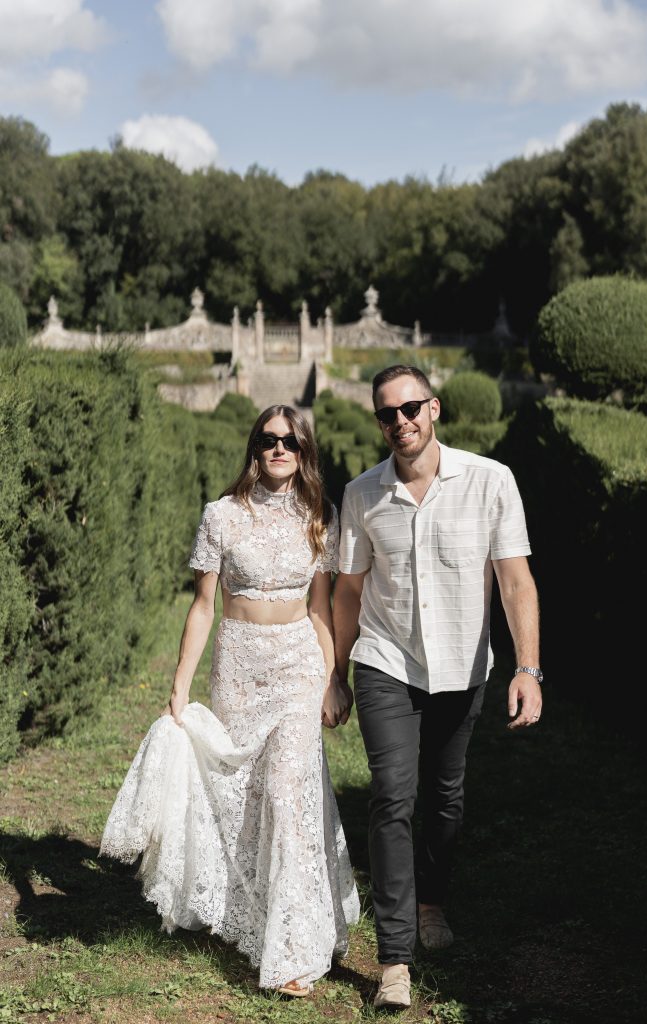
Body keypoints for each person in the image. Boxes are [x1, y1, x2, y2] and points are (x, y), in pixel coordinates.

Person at [100, 404, 359, 997]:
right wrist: (180, 683)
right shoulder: (221, 515)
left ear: (303, 451)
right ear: (254, 446)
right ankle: (248, 906)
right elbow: (202, 607)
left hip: (297, 662)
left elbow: (321, 608)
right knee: (243, 792)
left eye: (290, 442)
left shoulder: (321, 515)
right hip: (238, 664)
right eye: (268, 440)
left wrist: (333, 676)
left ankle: (293, 948)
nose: (278, 450)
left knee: (291, 793)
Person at [332, 365, 541, 1010]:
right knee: (392, 796)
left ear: (435, 409)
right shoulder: (362, 494)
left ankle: (430, 901)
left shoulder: (489, 481)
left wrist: (527, 669)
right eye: (388, 414)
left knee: (444, 798)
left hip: (461, 666)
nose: (401, 422)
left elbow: (514, 581)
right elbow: (348, 591)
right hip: (385, 660)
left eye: (411, 408)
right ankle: (395, 959)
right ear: (380, 423)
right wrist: (334, 675)